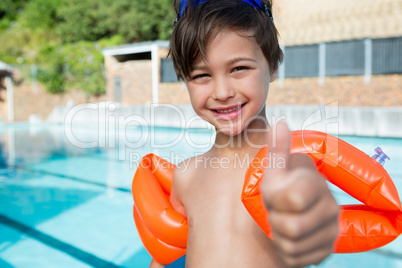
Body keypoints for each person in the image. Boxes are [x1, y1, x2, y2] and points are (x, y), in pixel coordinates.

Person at [150, 0, 339, 267]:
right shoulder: (186, 176)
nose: (222, 92)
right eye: (202, 75)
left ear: (273, 65)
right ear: (184, 78)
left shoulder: (292, 166)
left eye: (239, 68)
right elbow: (167, 250)